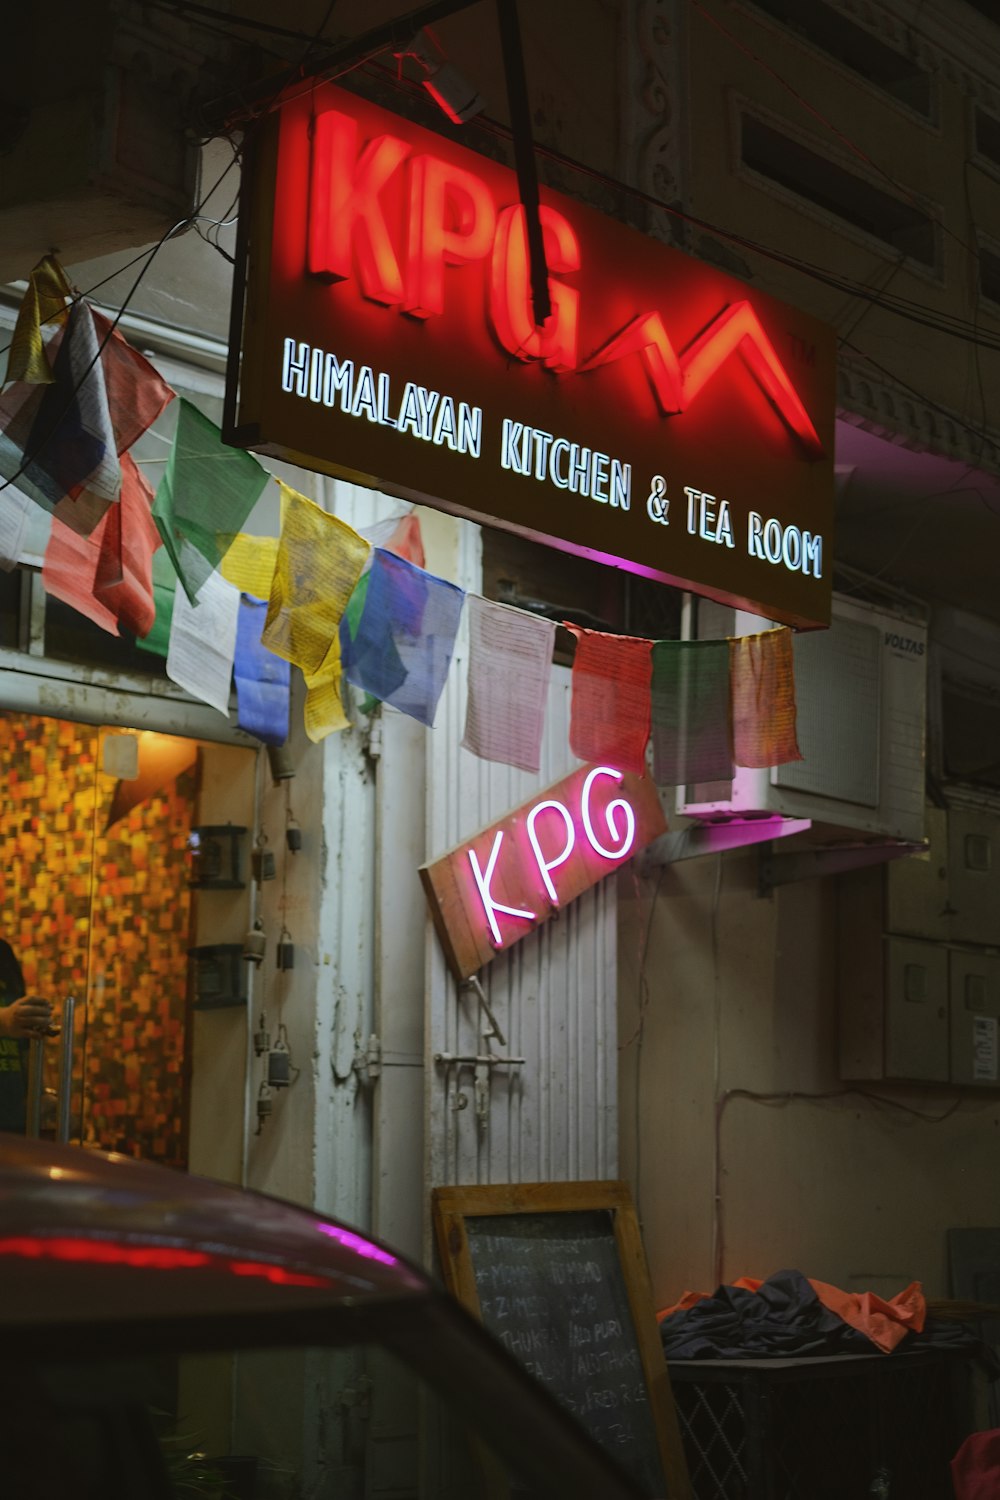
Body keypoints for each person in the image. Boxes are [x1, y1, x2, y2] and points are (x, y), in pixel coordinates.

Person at [0, 939, 55, 1134]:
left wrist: (42, 1093)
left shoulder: (3, 951)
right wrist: (5, 1020)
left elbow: (26, 1042)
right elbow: (11, 1019)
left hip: (17, 1115)